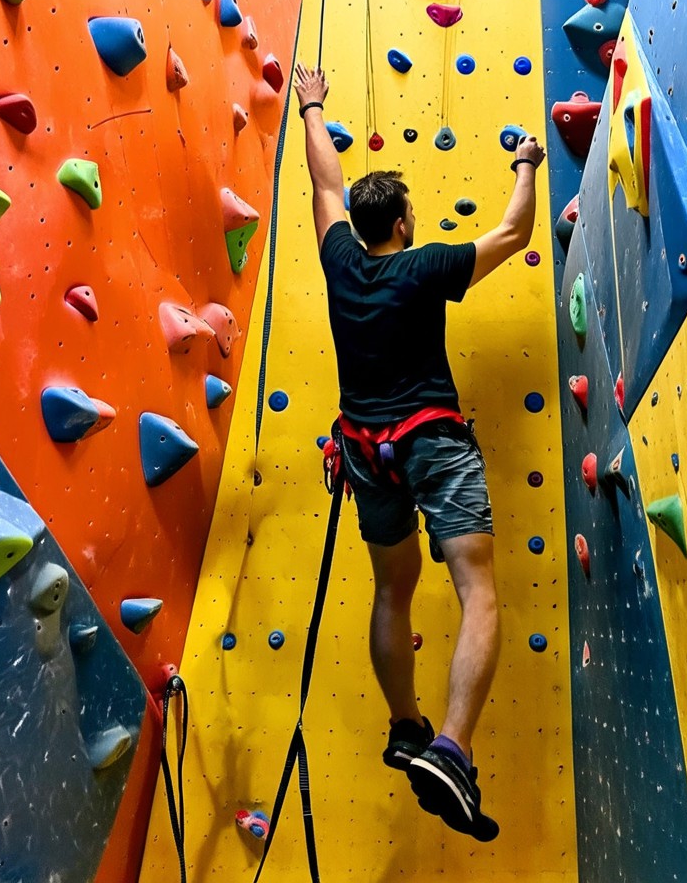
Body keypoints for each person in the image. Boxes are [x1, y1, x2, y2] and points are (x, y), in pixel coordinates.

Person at [293, 64, 545, 842]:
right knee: (477, 589)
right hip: (431, 439)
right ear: (402, 220)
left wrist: (312, 108)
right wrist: (528, 164)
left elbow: (323, 186)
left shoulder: (342, 260)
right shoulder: (424, 264)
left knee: (392, 591)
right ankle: (451, 750)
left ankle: (405, 725)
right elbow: (514, 235)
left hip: (365, 449)